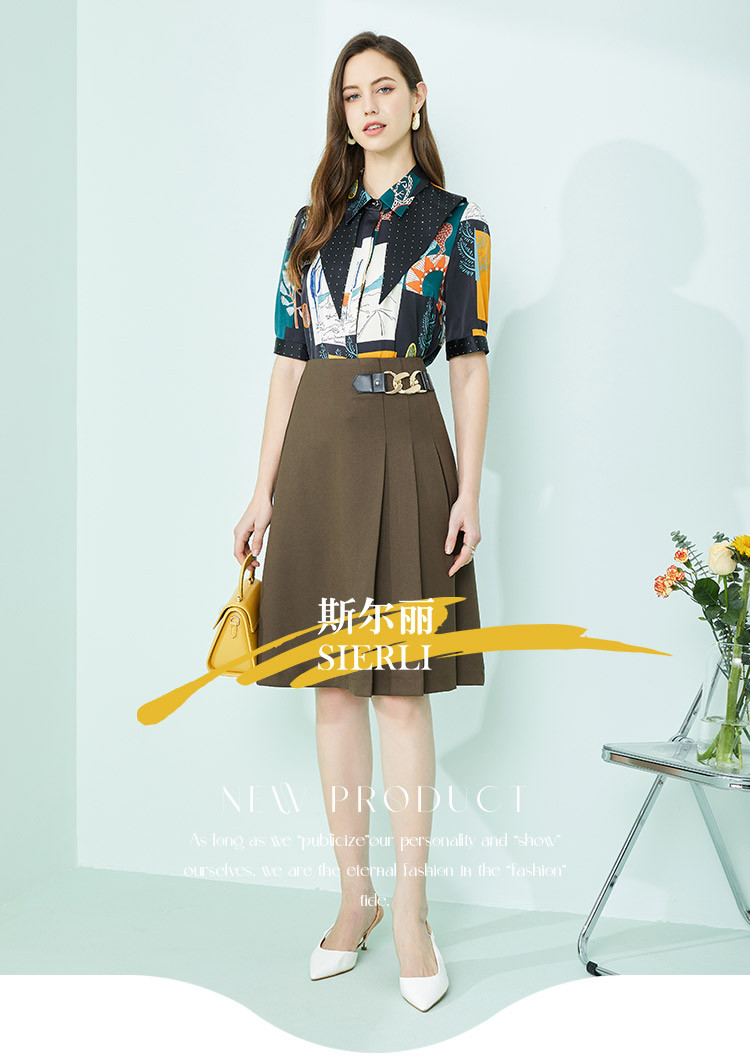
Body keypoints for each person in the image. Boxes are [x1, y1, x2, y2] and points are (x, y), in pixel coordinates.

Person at [233, 30, 490, 1012]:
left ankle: (413, 914)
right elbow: (287, 363)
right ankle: (357, 899)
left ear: (418, 98)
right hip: (317, 461)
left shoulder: (455, 226)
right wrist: (261, 490)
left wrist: (469, 490)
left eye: (385, 88)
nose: (369, 106)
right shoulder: (311, 226)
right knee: (334, 691)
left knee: (400, 693)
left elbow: (467, 362)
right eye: (352, 94)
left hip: (407, 450)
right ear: (341, 114)